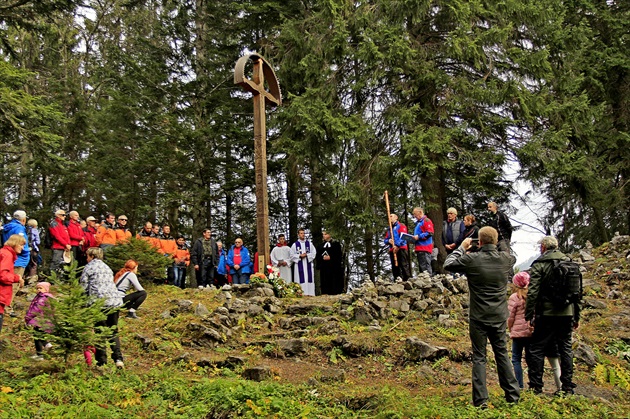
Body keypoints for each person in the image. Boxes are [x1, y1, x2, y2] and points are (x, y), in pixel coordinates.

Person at [444, 226, 520, 408]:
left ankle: (481, 400)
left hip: (478, 316)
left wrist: (463, 247)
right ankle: (512, 395)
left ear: (480, 241)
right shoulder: (506, 260)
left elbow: (448, 264)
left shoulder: (472, 259)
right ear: (493, 241)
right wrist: (495, 243)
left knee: (479, 357)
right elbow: (510, 254)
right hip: (499, 315)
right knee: (502, 353)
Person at [525, 236, 579, 395]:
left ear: (543, 247)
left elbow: (533, 292)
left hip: (546, 313)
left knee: (537, 348)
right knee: (565, 347)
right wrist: (577, 316)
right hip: (567, 312)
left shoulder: (540, 265)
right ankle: (567, 387)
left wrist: (529, 315)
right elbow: (577, 293)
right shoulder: (569, 262)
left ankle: (536, 387)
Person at [508, 271, 562, 391]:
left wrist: (511, 328)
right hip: (531, 332)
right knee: (531, 358)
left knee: (516, 359)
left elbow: (510, 317)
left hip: (517, 333)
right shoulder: (534, 296)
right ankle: (533, 382)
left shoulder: (514, 297)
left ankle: (519, 385)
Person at [80, 247, 124, 368]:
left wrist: (81, 302)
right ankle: (118, 359)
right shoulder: (107, 267)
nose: (87, 258)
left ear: (92, 256)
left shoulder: (89, 268)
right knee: (113, 331)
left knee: (100, 332)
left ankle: (101, 361)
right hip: (114, 302)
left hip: (99, 303)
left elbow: (83, 287)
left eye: (88, 256)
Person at [0, 234, 26, 334]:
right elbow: (2, 275)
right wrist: (17, 278)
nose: (23, 248)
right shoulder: (7, 255)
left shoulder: (3, 252)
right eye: (21, 245)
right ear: (14, 243)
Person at [24, 281, 54, 360]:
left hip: (40, 321)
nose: (38, 290)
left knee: (37, 336)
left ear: (46, 289)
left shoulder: (42, 298)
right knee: (39, 335)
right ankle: (46, 346)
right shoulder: (45, 297)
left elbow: (36, 309)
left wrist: (28, 317)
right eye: (37, 288)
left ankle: (41, 352)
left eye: (41, 288)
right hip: (45, 320)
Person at [383, 213, 412, 282]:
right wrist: (388, 241)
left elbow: (403, 236)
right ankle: (397, 280)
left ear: (396, 217)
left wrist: (397, 245)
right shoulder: (389, 229)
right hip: (392, 249)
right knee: (395, 267)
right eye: (389, 217)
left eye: (391, 216)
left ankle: (407, 280)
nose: (390, 218)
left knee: (403, 264)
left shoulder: (401, 226)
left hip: (401, 248)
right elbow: (385, 239)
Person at [290, 229, 317, 296]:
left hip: (308, 264)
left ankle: (310, 293)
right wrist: (299, 255)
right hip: (299, 264)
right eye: (301, 233)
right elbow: (291, 256)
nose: (303, 235)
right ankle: (300, 294)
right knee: (300, 278)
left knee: (309, 278)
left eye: (303, 233)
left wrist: (307, 255)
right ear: (298, 235)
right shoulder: (295, 245)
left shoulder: (309, 244)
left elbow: (314, 253)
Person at [317, 230, 344, 295]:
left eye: (325, 234)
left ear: (329, 235)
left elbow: (339, 256)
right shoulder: (320, 246)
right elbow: (317, 256)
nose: (323, 236)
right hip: (324, 268)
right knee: (325, 282)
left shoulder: (336, 244)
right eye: (323, 234)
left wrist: (331, 258)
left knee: (334, 282)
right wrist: (322, 258)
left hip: (334, 268)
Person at [412, 207, 434, 276]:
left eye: (415, 214)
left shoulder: (426, 221)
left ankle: (429, 281)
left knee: (426, 267)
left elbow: (430, 232)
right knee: (422, 267)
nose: (414, 216)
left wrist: (418, 236)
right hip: (419, 248)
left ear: (420, 212)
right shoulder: (418, 223)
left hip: (425, 247)